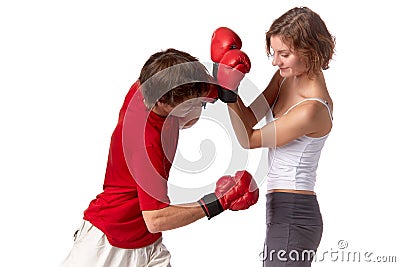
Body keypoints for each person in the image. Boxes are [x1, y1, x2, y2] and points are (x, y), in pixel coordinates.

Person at [61, 48, 259, 267]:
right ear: (162, 103)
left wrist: (222, 82)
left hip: (148, 243)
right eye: (190, 105)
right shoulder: (146, 142)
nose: (197, 108)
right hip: (110, 242)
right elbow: (155, 219)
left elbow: (190, 95)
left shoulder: (149, 86)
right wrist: (218, 202)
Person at [210, 6, 335, 266]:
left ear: (310, 51)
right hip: (281, 207)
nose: (276, 61)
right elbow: (248, 118)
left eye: (284, 54)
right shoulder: (285, 78)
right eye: (274, 52)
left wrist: (229, 92)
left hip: (295, 212)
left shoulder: (312, 109)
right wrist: (226, 86)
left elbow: (249, 139)